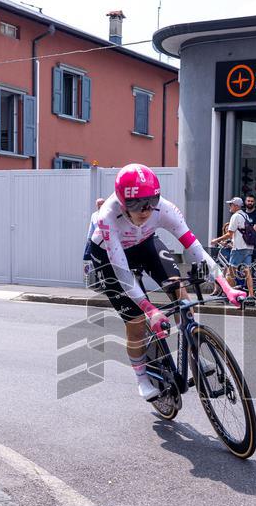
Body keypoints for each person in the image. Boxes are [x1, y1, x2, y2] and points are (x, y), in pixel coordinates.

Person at [88, 164, 247, 400]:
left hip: (144, 244)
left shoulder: (164, 209)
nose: (144, 210)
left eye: (150, 201)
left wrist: (226, 285)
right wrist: (150, 309)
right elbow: (121, 271)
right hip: (109, 256)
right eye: (135, 204)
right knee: (136, 322)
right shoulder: (108, 217)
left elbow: (194, 248)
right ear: (122, 203)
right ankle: (141, 377)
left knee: (180, 292)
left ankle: (193, 351)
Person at [210, 197, 255, 298]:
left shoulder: (235, 216)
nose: (229, 206)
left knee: (231, 273)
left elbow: (229, 234)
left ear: (236, 206)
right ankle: (251, 295)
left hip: (239, 248)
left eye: (231, 204)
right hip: (249, 247)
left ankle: (230, 295)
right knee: (248, 273)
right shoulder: (245, 215)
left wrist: (216, 240)